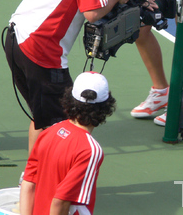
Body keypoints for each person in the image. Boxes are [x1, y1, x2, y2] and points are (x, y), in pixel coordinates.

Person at [4, 0, 131, 153]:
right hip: (41, 51)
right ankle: (46, 181)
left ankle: (32, 177)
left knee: (42, 118)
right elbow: (92, 13)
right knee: (64, 123)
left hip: (16, 40)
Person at [20, 71, 116, 215]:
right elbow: (60, 202)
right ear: (106, 106)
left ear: (70, 99)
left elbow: (28, 184)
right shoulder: (90, 150)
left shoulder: (48, 132)